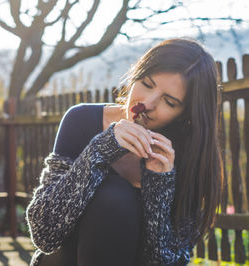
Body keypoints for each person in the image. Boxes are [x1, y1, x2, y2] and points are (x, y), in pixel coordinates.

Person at [26, 38, 223, 266]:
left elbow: (165, 262)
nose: (147, 103)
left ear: (186, 113)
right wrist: (100, 150)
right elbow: (44, 233)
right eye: (147, 84)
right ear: (135, 74)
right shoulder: (81, 121)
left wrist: (159, 185)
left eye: (169, 101)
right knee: (113, 193)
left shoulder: (191, 154)